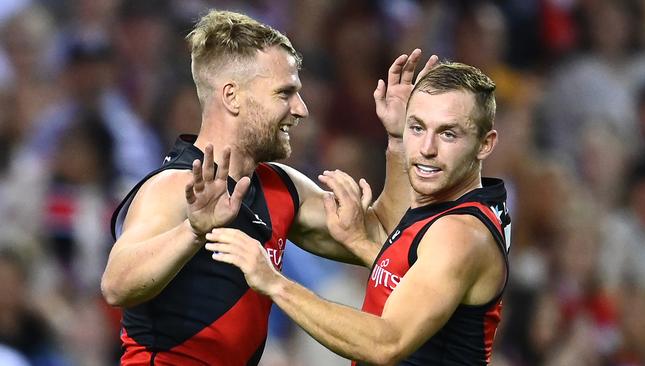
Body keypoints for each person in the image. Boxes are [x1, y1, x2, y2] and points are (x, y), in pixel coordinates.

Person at [100, 10, 437, 365]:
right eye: (285, 93)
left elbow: (388, 238)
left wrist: (400, 140)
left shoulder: (282, 188)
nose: (301, 109)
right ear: (232, 96)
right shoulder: (174, 187)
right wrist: (193, 230)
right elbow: (115, 285)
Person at [207, 62, 512, 365]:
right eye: (417, 128)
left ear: (485, 144)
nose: (427, 148)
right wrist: (359, 242)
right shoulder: (448, 209)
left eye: (448, 134)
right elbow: (416, 279)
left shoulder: (460, 232)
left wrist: (274, 282)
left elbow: (387, 342)